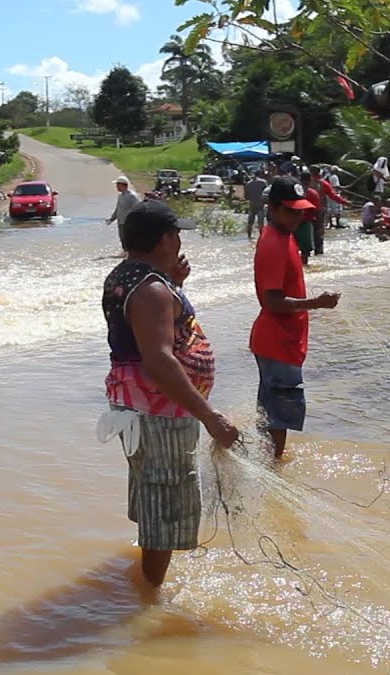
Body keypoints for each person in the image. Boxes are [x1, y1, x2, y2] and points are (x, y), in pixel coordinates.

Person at [100, 200, 240, 587]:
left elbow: (145, 333)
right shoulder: (150, 290)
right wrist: (211, 418)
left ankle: (146, 579)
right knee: (163, 496)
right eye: (177, 234)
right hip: (159, 411)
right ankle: (149, 598)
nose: (179, 242)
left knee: (153, 487)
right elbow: (160, 360)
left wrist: (174, 282)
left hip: (138, 407)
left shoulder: (125, 276)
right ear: (164, 239)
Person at [251, 178, 341, 459]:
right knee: (280, 413)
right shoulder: (274, 243)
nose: (299, 216)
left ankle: (268, 461)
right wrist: (316, 303)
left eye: (301, 211)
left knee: (272, 409)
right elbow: (271, 300)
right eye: (291, 211)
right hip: (278, 342)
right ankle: (274, 465)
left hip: (282, 341)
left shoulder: (285, 236)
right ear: (274, 208)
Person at [312, 166, 349, 254]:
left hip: (305, 210)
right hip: (319, 210)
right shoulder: (323, 183)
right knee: (319, 232)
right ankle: (318, 251)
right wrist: (345, 202)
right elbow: (333, 196)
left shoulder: (304, 182)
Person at [105, 175, 141, 252]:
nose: (116, 187)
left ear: (122, 185)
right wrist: (111, 219)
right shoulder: (120, 196)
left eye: (117, 185)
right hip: (121, 222)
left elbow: (137, 208)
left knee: (128, 240)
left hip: (128, 223)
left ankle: (130, 254)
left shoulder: (132, 196)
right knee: (122, 239)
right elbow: (118, 209)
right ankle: (125, 254)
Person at [295, 172, 322, 263]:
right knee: (305, 250)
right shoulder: (312, 193)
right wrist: (318, 225)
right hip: (305, 223)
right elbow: (317, 210)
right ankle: (304, 267)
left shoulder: (294, 191)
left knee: (291, 247)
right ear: (310, 180)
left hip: (291, 221)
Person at [244, 171, 268, 239]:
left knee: (250, 223)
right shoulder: (263, 182)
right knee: (261, 223)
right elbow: (267, 192)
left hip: (252, 205)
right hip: (261, 205)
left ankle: (249, 237)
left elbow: (246, 196)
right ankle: (261, 238)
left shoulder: (248, 183)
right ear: (260, 175)